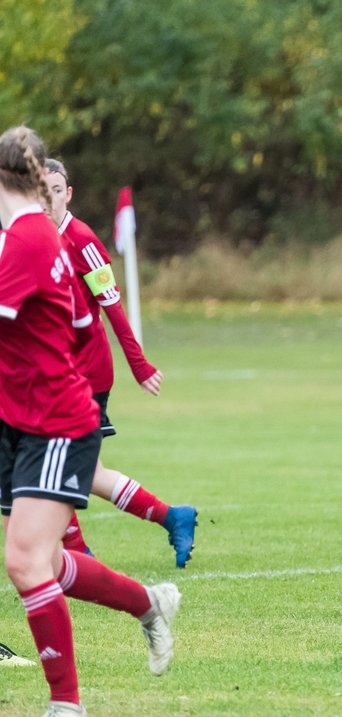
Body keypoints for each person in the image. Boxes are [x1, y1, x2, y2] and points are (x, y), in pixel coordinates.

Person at [0, 125, 180, 717]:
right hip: (23, 417)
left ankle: (68, 707)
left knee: (27, 562)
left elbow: (94, 317)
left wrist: (61, 383)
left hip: (51, 420)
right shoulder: (32, 238)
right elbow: (78, 325)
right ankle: (147, 602)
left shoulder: (30, 241)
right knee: (45, 558)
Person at [43, 158, 198, 567]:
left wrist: (139, 364)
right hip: (55, 371)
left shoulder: (82, 241)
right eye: (43, 190)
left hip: (85, 373)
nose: (50, 199)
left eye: (57, 190)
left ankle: (78, 557)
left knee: (53, 464)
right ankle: (173, 517)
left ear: (69, 193)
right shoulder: (30, 237)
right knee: (85, 473)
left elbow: (112, 308)